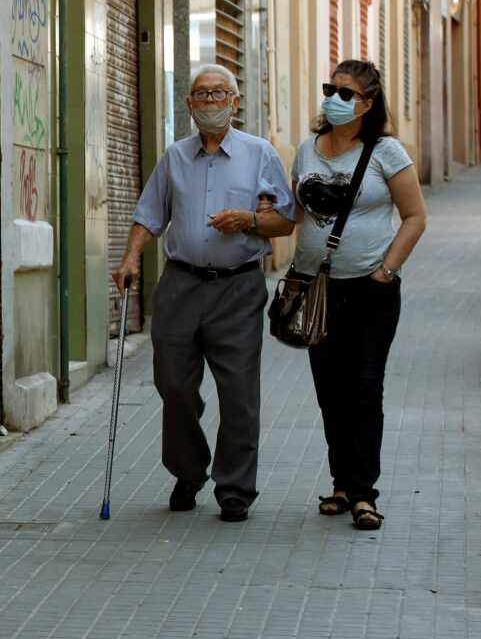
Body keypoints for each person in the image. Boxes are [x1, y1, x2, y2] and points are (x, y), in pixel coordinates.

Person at [113, 64, 296, 522]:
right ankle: (189, 469)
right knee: (173, 384)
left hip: (238, 286)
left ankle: (234, 489)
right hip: (180, 284)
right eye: (201, 95)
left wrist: (248, 221)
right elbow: (149, 215)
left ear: (235, 102)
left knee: (238, 392)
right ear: (190, 106)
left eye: (219, 94)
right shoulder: (174, 157)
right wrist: (130, 258)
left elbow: (286, 220)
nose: (210, 102)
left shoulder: (260, 155)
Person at [291, 59, 426, 531]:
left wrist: (386, 272)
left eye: (346, 93)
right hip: (317, 288)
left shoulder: (387, 151)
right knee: (331, 391)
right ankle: (342, 483)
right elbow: (295, 213)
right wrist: (253, 216)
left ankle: (365, 493)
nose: (334, 98)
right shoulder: (308, 150)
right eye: (331, 88)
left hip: (370, 291)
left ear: (368, 104)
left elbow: (415, 217)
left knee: (365, 389)